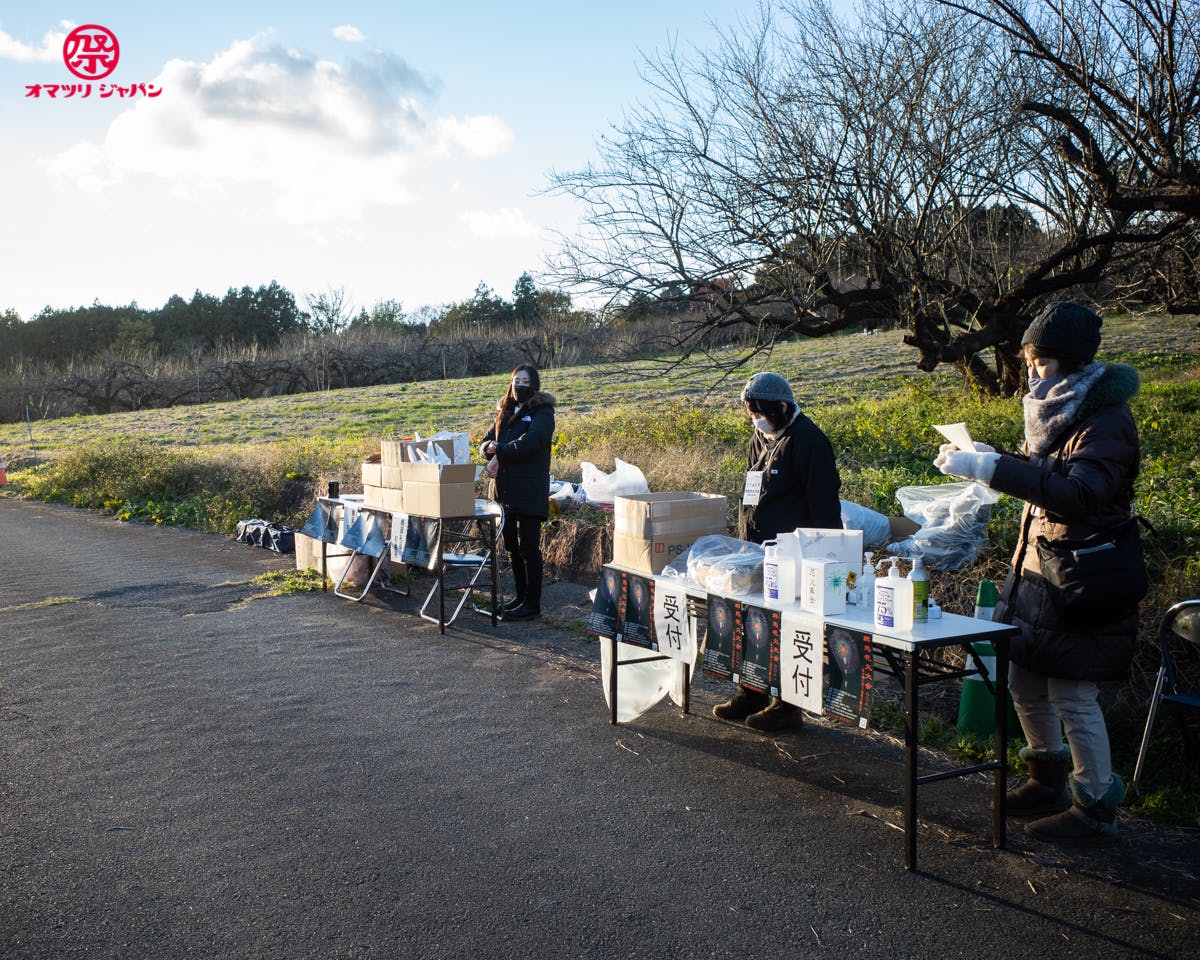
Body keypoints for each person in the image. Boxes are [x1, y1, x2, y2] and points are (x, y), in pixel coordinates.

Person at [935, 301, 1142, 842]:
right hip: (1035, 573)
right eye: (1028, 361)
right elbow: (1039, 471)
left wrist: (993, 469)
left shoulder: (1106, 421)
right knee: (1024, 679)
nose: (1031, 374)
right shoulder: (1055, 409)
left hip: (1080, 577)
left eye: (1041, 364)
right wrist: (990, 455)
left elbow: (1079, 494)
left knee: (1073, 695)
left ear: (1072, 364)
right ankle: (1044, 777)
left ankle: (1095, 803)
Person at [714, 371, 842, 732]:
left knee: (790, 628)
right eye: (751, 412)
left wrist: (828, 559)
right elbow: (753, 486)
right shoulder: (761, 435)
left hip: (797, 554)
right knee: (753, 623)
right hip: (757, 548)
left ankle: (787, 705)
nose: (757, 419)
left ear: (783, 407)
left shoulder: (809, 441)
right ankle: (751, 691)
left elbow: (824, 505)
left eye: (762, 412)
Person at [481, 365, 555, 621]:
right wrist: (487, 447)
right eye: (515, 380)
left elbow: (532, 442)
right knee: (511, 547)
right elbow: (486, 440)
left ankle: (532, 604)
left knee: (529, 549)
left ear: (533, 384)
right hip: (504, 492)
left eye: (524, 381)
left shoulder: (542, 412)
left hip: (530, 490)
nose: (519, 385)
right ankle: (520, 597)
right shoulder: (505, 411)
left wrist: (500, 450)